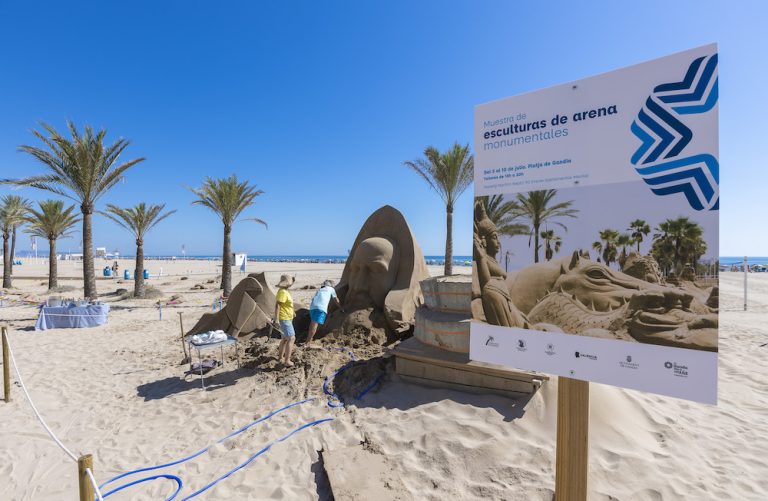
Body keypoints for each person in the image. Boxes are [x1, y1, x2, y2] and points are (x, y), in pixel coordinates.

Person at [306, 280, 343, 347]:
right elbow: (336, 299)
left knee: (313, 323)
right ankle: (308, 342)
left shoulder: (320, 289)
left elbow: (314, 299)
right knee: (314, 324)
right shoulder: (331, 289)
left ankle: (310, 338)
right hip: (321, 307)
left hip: (312, 307)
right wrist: (340, 307)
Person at [273, 274, 296, 367]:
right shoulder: (283, 292)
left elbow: (286, 304)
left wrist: (292, 312)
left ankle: (280, 357)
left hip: (287, 317)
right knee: (291, 338)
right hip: (284, 318)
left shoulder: (285, 291)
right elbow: (278, 305)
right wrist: (276, 319)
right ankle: (287, 360)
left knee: (285, 339)